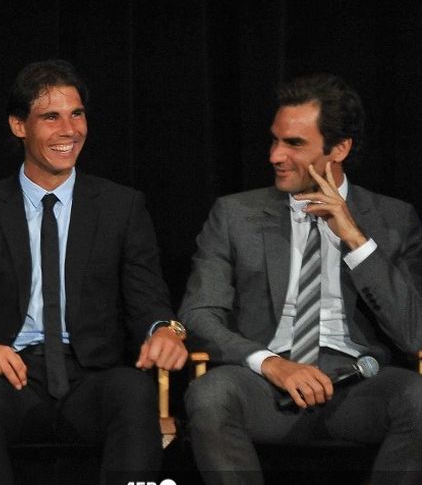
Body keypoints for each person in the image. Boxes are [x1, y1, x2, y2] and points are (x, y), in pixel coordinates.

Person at [0, 59, 188, 484]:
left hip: (93, 377)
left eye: (77, 114)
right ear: (19, 126)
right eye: (51, 117)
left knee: (134, 392)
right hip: (13, 375)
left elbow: (149, 302)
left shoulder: (122, 207)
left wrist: (163, 329)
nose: (69, 130)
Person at [179, 73, 422, 484]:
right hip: (265, 387)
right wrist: (272, 364)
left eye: (294, 144)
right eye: (274, 140)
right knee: (209, 393)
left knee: (418, 400)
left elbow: (414, 334)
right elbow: (199, 314)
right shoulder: (234, 214)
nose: (275, 156)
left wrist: (355, 238)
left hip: (358, 387)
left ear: (339, 148)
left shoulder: (394, 219)